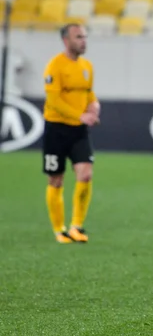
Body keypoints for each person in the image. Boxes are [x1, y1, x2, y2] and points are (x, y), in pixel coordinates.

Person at [42, 23, 99, 244]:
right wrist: (80, 115)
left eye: (85, 36)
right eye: (78, 37)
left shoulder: (87, 66)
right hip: (56, 129)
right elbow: (53, 100)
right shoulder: (55, 66)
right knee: (56, 179)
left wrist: (94, 107)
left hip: (79, 131)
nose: (83, 41)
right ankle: (59, 229)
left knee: (85, 174)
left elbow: (89, 93)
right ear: (66, 40)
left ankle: (77, 226)